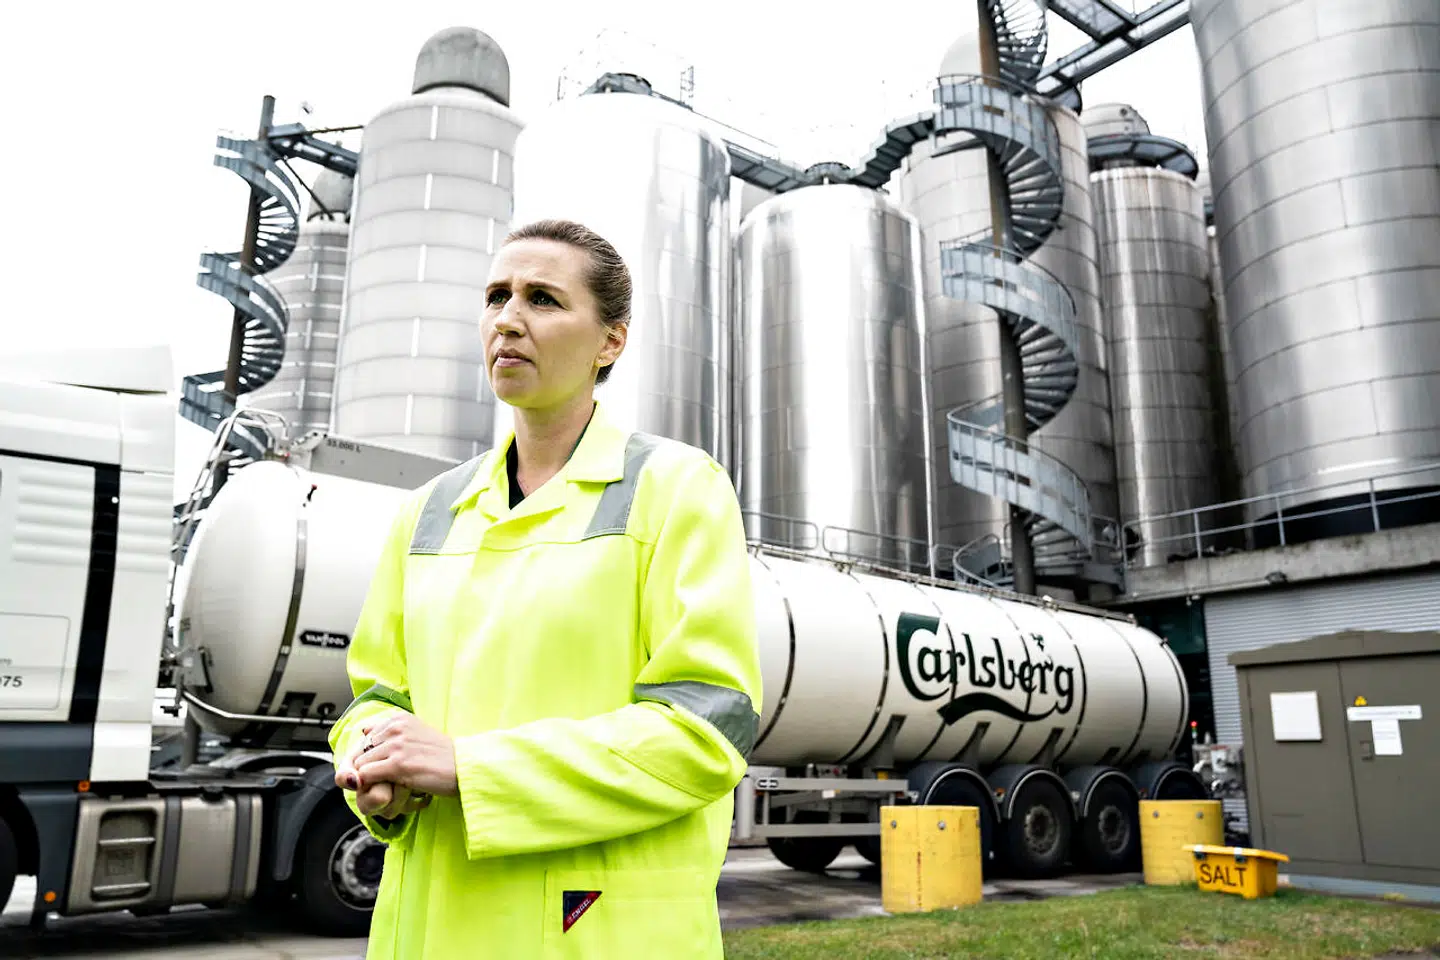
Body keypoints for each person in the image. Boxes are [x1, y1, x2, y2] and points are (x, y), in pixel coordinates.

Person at [329, 218, 763, 959]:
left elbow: (705, 729)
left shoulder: (677, 488)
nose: (508, 320)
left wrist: (471, 767)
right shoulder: (429, 509)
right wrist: (373, 766)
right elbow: (377, 696)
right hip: (426, 928)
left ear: (610, 342)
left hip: (594, 933)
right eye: (496, 296)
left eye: (542, 299)